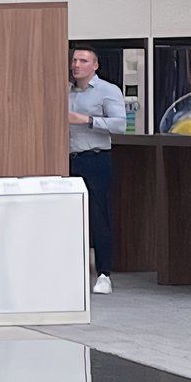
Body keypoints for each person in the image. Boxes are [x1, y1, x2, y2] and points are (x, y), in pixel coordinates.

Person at [68, 47, 130, 292]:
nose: (76, 65)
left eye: (83, 61)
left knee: (98, 215)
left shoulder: (107, 90)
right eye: (74, 60)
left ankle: (104, 274)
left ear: (95, 65)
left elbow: (120, 125)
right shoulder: (65, 90)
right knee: (70, 217)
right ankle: (72, 270)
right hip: (69, 159)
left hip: (96, 158)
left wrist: (86, 120)